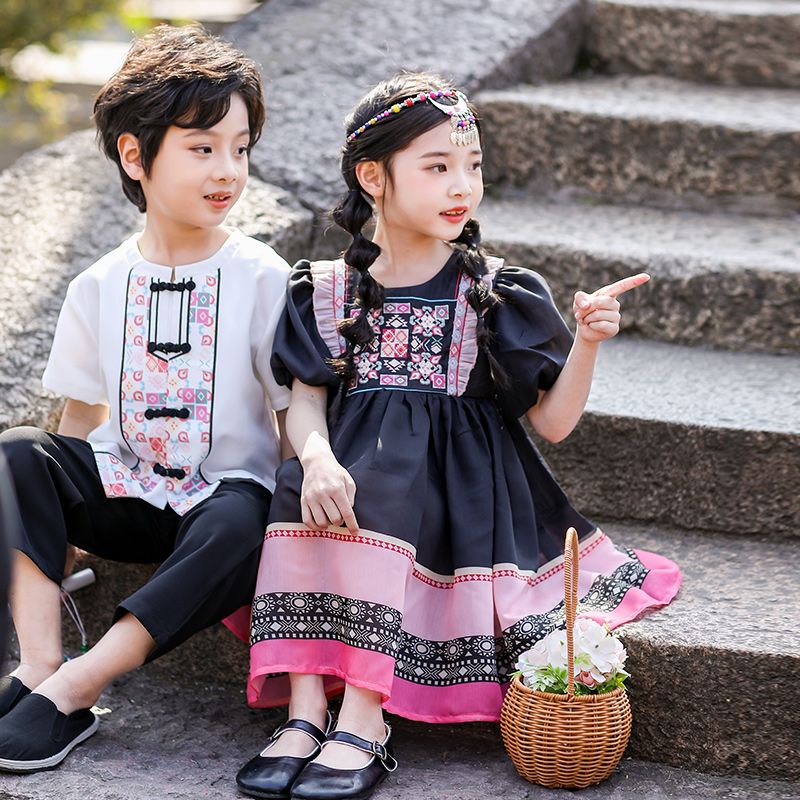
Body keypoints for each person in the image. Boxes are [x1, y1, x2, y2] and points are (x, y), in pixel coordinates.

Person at [235, 72, 682, 800]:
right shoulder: (322, 288)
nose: (462, 185)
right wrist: (314, 457)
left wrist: (588, 345)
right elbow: (305, 402)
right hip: (352, 472)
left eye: (471, 166)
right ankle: (305, 708)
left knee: (389, 480)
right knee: (298, 482)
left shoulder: (498, 292)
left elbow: (553, 424)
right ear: (372, 176)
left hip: (461, 495)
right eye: (438, 166)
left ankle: (366, 715)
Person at [0, 24, 292, 772]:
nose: (227, 168)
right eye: (203, 148)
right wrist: (54, 532)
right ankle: (37, 665)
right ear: (136, 154)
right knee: (19, 453)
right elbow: (81, 426)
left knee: (244, 513)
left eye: (240, 147)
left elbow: (292, 420)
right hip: (133, 496)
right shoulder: (98, 285)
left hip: (225, 512)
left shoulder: (262, 277)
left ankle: (76, 687)